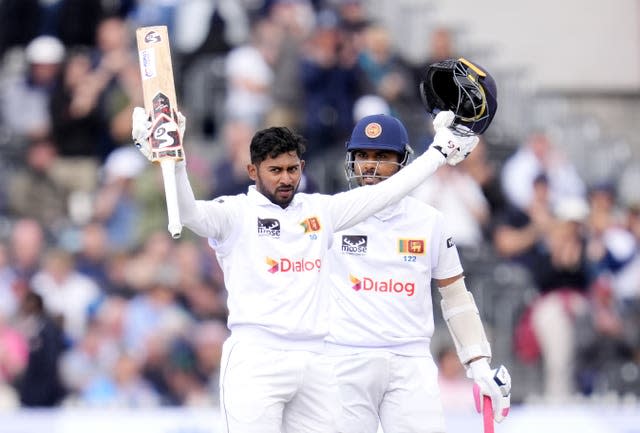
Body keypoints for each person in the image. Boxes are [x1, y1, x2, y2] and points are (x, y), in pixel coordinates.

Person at [131, 104, 476, 432]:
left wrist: (438, 152)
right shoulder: (233, 214)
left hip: (315, 362)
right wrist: (172, 160)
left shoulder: (321, 211)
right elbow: (188, 213)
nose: (285, 179)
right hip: (256, 357)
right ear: (253, 171)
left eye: (292, 169)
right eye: (275, 170)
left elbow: (385, 194)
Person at [325, 114, 511, 433]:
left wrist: (478, 361)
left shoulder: (429, 221)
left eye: (382, 156)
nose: (369, 166)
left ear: (403, 161)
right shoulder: (330, 215)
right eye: (362, 156)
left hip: (409, 361)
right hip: (346, 358)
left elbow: (454, 294)